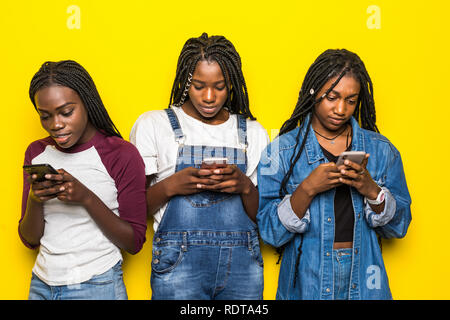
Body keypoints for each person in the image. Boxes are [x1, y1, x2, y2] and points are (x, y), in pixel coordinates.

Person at [256, 49, 412, 300]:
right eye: (332, 97)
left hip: (364, 283)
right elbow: (269, 233)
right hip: (308, 284)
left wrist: (371, 189)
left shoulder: (382, 150)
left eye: (351, 100)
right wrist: (307, 189)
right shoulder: (282, 152)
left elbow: (399, 227)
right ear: (313, 91)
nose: (341, 109)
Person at [130, 33, 269, 300]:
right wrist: (172, 185)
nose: (209, 97)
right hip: (178, 267)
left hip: (242, 268)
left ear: (233, 85)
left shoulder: (253, 132)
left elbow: (262, 218)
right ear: (185, 81)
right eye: (198, 86)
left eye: (220, 86)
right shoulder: (154, 125)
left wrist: (244, 187)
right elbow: (135, 210)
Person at [19, 60, 147, 300]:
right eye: (45, 116)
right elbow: (29, 239)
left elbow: (134, 241)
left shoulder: (121, 154)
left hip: (98, 285)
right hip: (41, 286)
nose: (56, 125)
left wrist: (86, 198)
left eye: (66, 112)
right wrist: (35, 200)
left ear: (87, 103)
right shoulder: (36, 153)